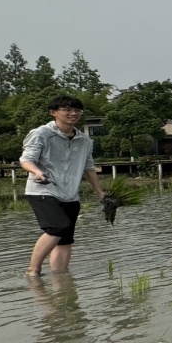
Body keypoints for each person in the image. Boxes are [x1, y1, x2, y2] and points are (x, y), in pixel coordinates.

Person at [20, 95, 106, 276]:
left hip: (70, 193)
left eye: (77, 110)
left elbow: (89, 167)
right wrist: (36, 172)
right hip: (43, 189)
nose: (73, 113)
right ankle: (32, 270)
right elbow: (26, 159)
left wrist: (99, 191)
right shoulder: (41, 134)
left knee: (65, 238)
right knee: (57, 227)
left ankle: (61, 279)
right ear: (53, 112)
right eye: (66, 110)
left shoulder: (85, 141)